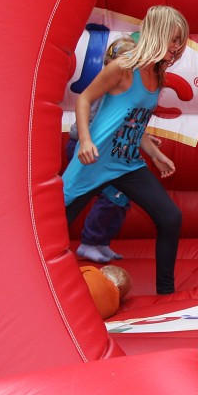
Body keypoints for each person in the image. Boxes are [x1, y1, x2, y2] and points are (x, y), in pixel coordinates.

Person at [63, 5, 187, 295]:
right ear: (157, 34)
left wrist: (155, 155)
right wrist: (84, 140)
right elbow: (84, 99)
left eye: (180, 42)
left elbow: (132, 122)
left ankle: (166, 292)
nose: (177, 47)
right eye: (174, 39)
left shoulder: (157, 74)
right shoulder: (123, 68)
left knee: (171, 217)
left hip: (126, 163)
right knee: (52, 227)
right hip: (94, 160)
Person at [66, 38, 136, 264]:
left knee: (122, 197)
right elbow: (93, 114)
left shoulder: (126, 90)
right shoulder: (107, 87)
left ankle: (101, 241)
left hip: (109, 151)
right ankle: (88, 242)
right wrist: (86, 140)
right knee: (111, 195)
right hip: (88, 148)